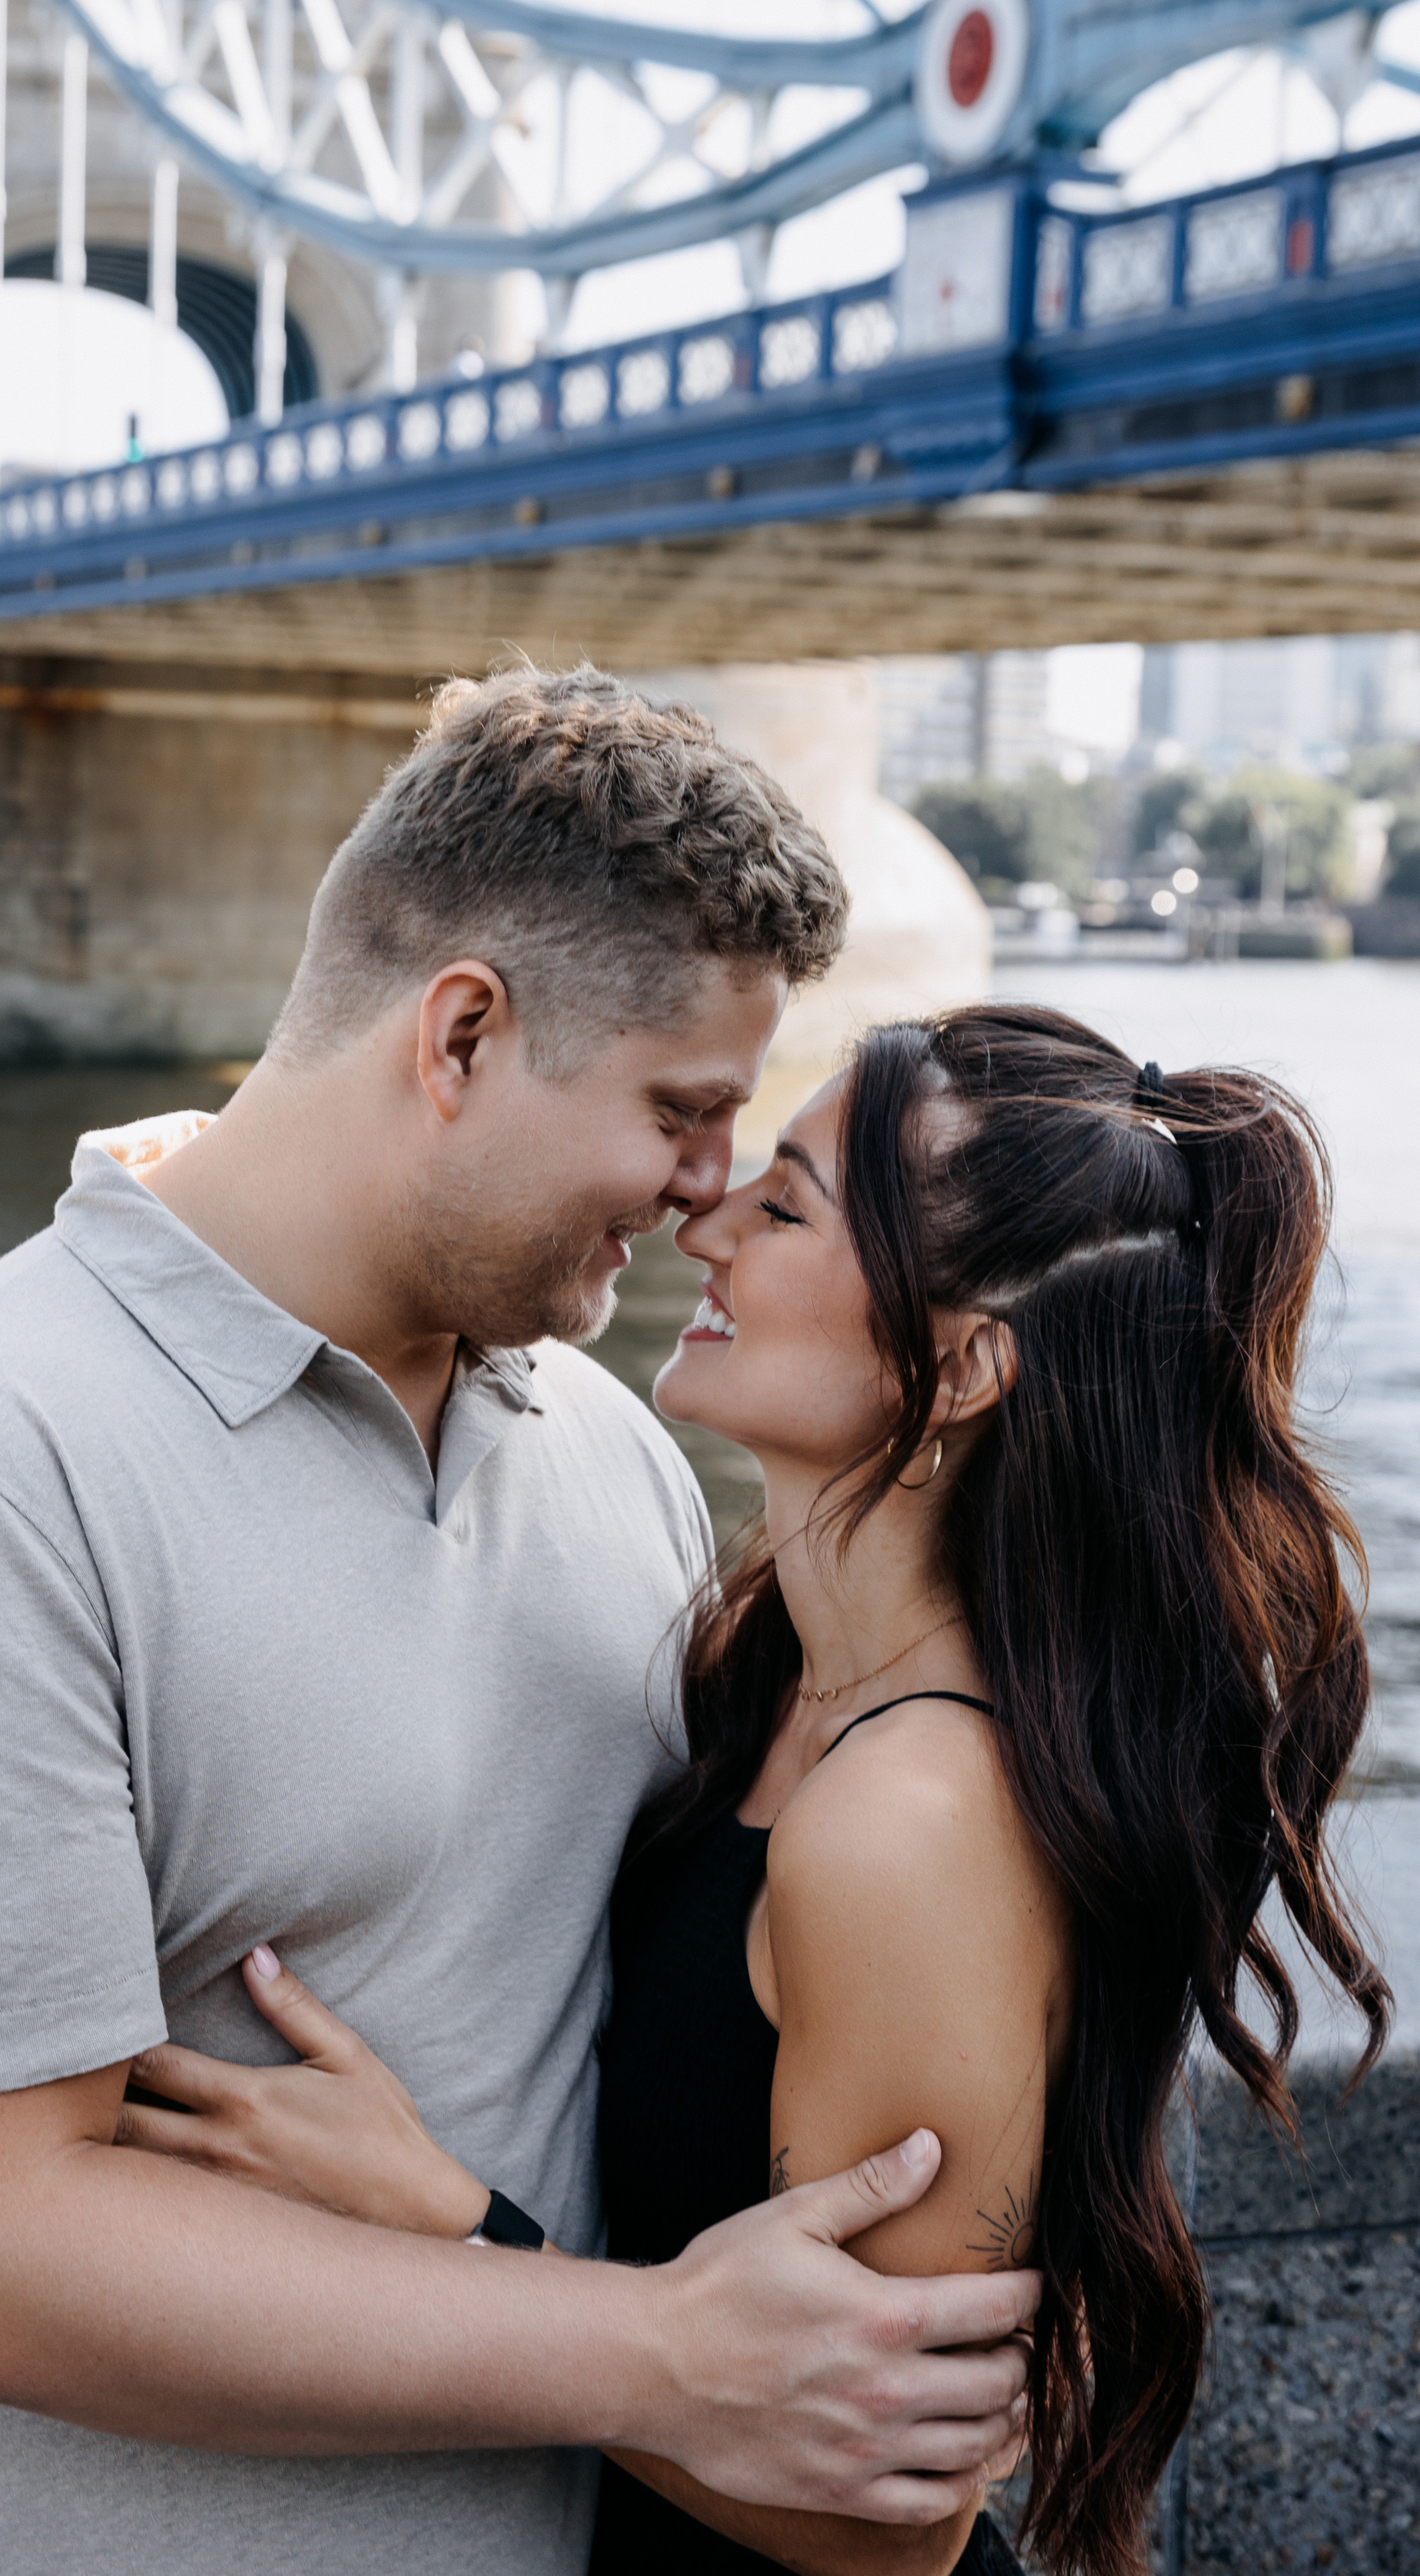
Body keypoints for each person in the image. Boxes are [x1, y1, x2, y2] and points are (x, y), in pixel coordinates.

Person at [0, 669, 1040, 2576]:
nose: (702, 1196)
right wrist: (657, 2351)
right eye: (677, 1111)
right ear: (462, 1035)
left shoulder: (607, 1449)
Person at [117, 1004, 1388, 2576]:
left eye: (780, 1205)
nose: (697, 1223)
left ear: (970, 1365)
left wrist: (445, 2226)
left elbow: (882, 2534)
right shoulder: (769, 1657)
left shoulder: (900, 1824)